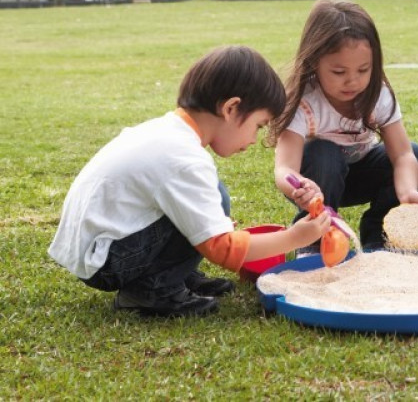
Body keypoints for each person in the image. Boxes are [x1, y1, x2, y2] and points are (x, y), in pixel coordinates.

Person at [48, 46, 334, 318]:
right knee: (211, 202)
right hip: (106, 260)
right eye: (257, 126)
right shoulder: (183, 158)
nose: (252, 139)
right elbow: (221, 248)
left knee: (213, 195)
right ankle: (153, 289)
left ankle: (175, 275)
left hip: (97, 246)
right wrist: (295, 238)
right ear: (231, 108)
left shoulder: (167, 131)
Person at [269, 0, 418, 252]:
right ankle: (314, 239)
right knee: (324, 152)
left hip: (361, 174)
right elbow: (284, 169)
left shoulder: (378, 94)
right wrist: (300, 185)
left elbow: (402, 154)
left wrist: (407, 191)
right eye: (339, 72)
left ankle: (378, 236)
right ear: (314, 61)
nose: (352, 82)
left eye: (363, 70)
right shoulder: (304, 102)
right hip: (319, 182)